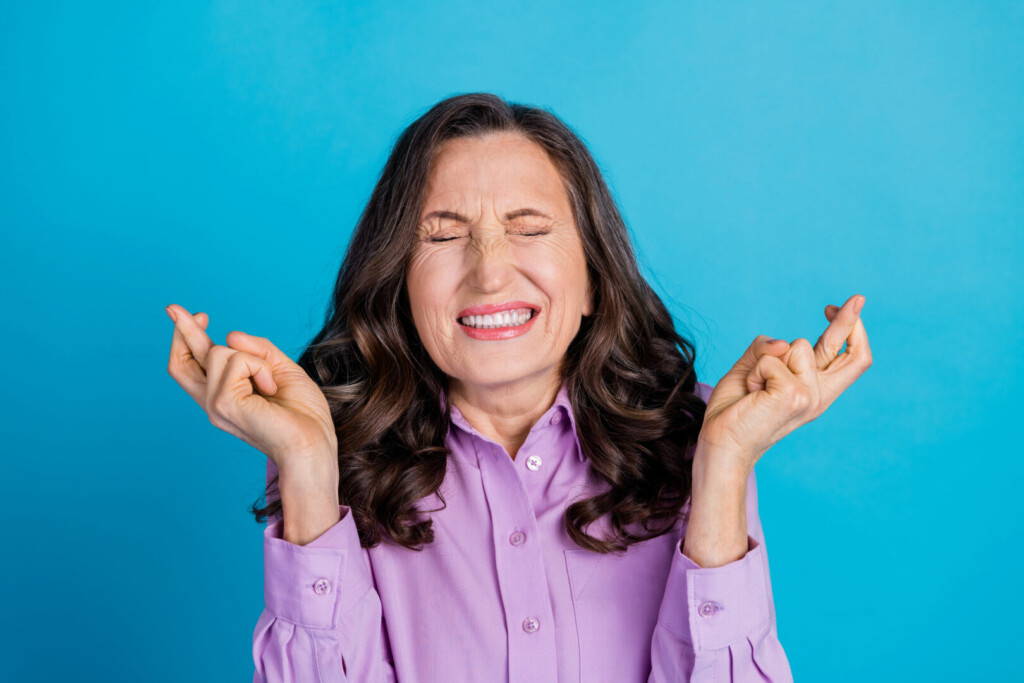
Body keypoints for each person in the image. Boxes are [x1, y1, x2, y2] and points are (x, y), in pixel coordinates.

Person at [164, 92, 871, 682]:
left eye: (528, 228)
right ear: (399, 283)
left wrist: (722, 467)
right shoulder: (342, 453)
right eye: (442, 236)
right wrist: (309, 469)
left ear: (594, 279)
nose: (490, 272)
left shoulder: (694, 434)